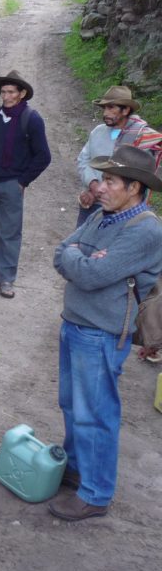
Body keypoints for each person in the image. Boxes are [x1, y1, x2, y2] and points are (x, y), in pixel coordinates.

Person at [50, 145, 162, 521]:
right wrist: (80, 256)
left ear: (134, 188)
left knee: (95, 414)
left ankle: (96, 494)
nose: (100, 187)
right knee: (71, 404)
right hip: (75, 322)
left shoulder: (145, 230)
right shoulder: (104, 215)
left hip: (100, 333)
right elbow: (60, 252)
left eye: (110, 181)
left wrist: (80, 258)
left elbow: (91, 274)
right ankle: (77, 469)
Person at [0, 70, 51, 299]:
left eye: (10, 92)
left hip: (11, 184)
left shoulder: (32, 119)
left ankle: (6, 277)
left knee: (9, 232)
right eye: (3, 92)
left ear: (22, 93)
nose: (5, 96)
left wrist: (23, 181)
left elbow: (43, 156)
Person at [75, 85, 161, 226]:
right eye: (104, 108)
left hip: (123, 212)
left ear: (126, 110)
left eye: (111, 108)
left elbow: (139, 179)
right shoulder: (98, 132)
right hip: (91, 203)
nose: (106, 113)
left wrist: (99, 192)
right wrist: (93, 185)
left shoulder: (141, 138)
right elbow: (84, 159)